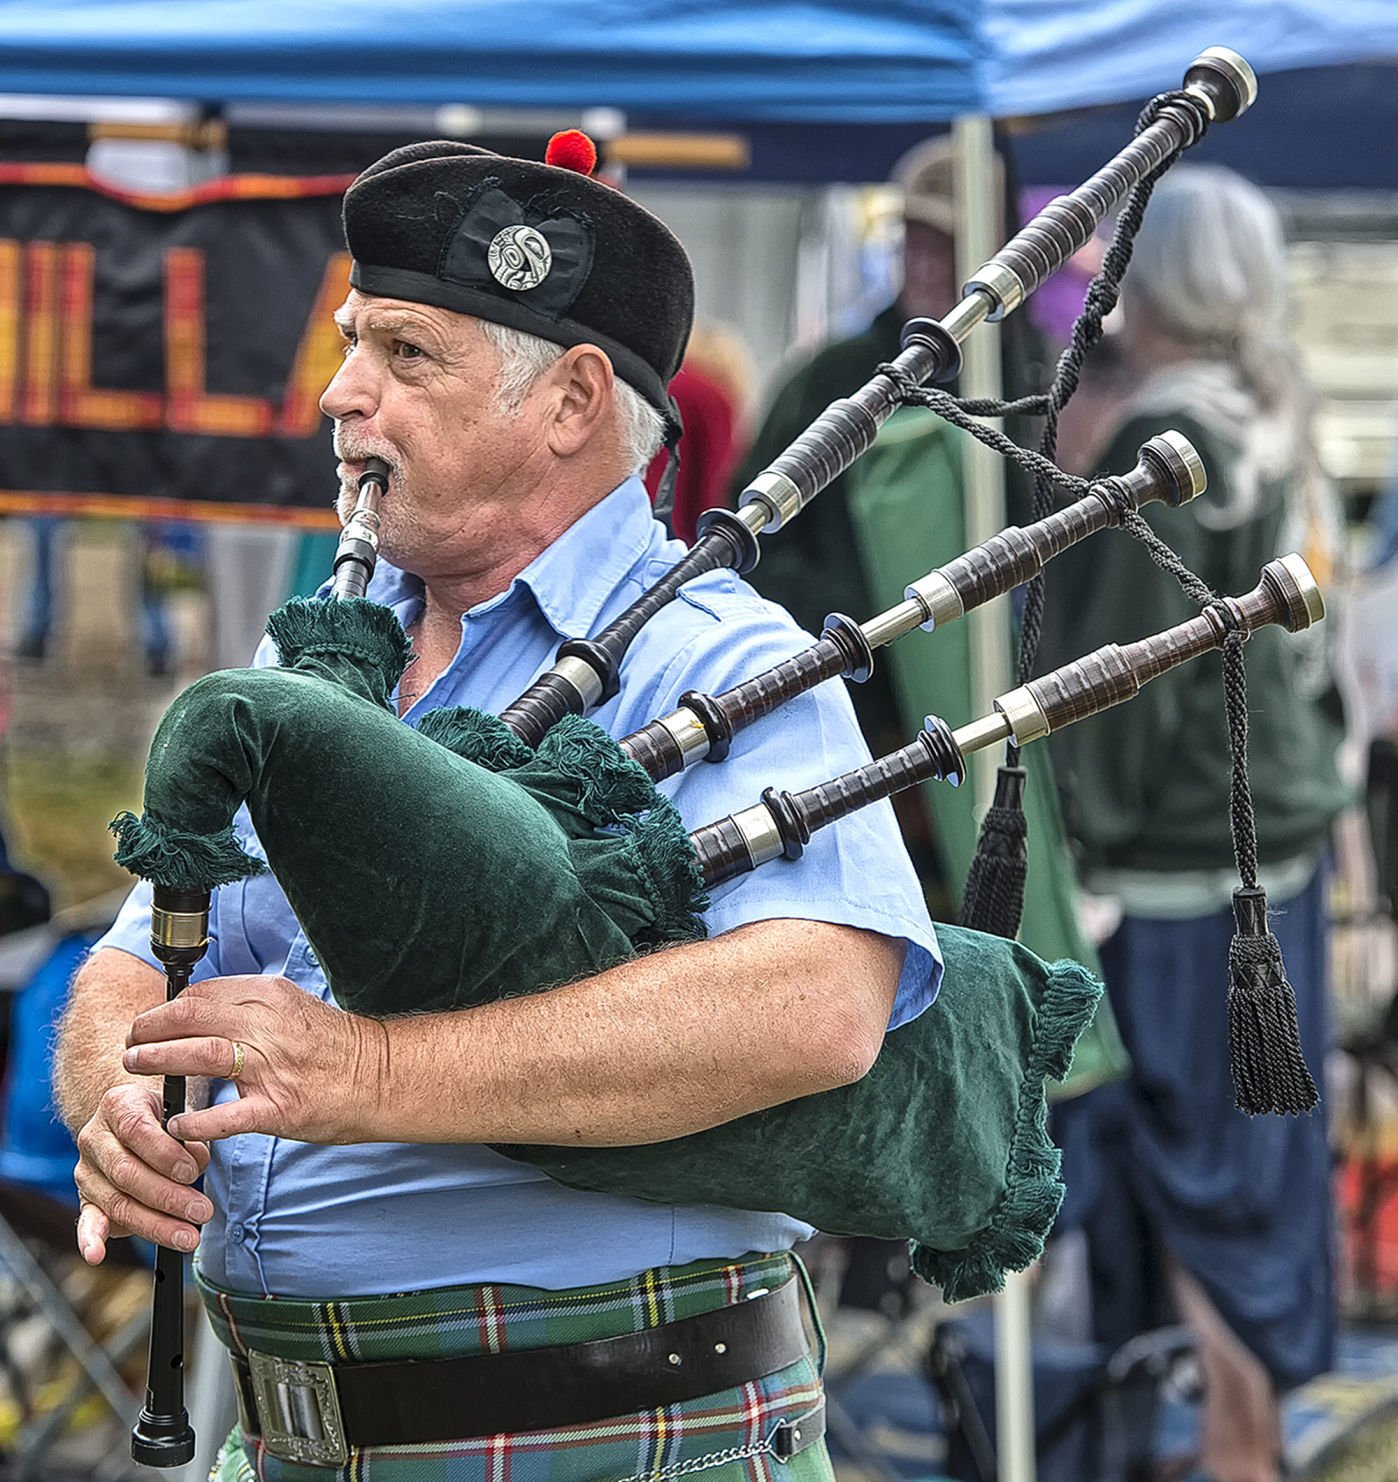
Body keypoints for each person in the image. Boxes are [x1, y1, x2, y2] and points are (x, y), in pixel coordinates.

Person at [52, 136, 940, 1481]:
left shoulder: (714, 659)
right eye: (354, 346)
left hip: (604, 1436)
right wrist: (115, 1096)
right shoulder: (315, 657)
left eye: (405, 357)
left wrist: (379, 1076)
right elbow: (139, 951)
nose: (344, 397)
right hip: (283, 1438)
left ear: (573, 399)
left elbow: (819, 1002)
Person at [1042, 165, 1349, 1482]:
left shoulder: (1170, 436)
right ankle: (1243, 1437)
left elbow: (1126, 681)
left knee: (1192, 1171)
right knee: (1251, 1160)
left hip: (1176, 875)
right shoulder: (1264, 414)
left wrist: (1076, 850)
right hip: (1261, 855)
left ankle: (1232, 1446)